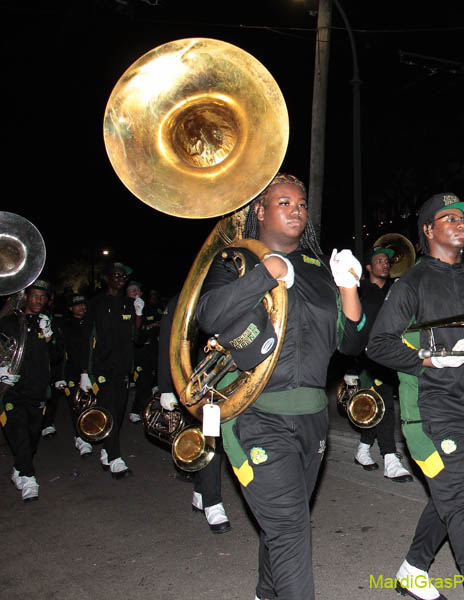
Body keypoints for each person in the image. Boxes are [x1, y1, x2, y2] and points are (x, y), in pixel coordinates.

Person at [196, 172, 365, 599]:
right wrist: (263, 275)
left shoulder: (316, 267)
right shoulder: (235, 260)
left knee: (285, 524)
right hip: (256, 416)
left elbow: (351, 343)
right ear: (260, 211)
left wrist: (347, 288)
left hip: (312, 420)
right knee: (291, 526)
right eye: (284, 203)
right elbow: (209, 315)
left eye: (301, 204)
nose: (297, 210)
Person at [367, 192, 464, 600]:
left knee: (451, 498)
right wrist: (426, 360)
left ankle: (413, 568)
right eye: (450, 218)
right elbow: (379, 345)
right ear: (428, 230)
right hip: (430, 412)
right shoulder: (413, 283)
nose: (462, 224)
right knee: (461, 502)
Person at [157, 295, 231, 533]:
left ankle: (201, 492)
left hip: (233, 378)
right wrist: (166, 386)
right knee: (211, 438)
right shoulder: (183, 298)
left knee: (226, 438)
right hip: (202, 381)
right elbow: (167, 343)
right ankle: (212, 501)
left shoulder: (233, 292)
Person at [353, 245, 414, 482]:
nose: (386, 264)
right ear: (369, 267)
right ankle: (390, 458)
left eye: (387, 261)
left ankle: (362, 448)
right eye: (380, 260)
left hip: (395, 354)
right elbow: (350, 328)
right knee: (384, 401)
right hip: (367, 358)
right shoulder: (360, 291)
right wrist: (350, 369)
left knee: (377, 406)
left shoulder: (396, 290)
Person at [0, 279, 62, 502]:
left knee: (32, 437)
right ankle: (29, 478)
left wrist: (49, 338)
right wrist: (1, 371)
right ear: (25, 296)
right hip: (12, 391)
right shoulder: (8, 322)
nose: (39, 300)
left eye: (43, 297)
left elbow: (55, 358)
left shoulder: (45, 323)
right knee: (19, 436)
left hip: (37, 390)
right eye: (35, 296)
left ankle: (19, 467)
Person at [84, 262, 143, 479]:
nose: (120, 279)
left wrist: (138, 316)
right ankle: (116, 458)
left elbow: (135, 338)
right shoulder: (95, 304)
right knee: (108, 409)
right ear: (107, 279)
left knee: (118, 412)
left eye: (123, 277)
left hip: (122, 368)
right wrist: (84, 372)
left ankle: (107, 450)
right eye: (116, 275)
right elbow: (87, 337)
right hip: (102, 367)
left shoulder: (129, 304)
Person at [58, 295, 94, 457]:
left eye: (83, 304)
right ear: (70, 309)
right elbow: (61, 351)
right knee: (76, 405)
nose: (82, 307)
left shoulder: (91, 322)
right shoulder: (65, 326)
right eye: (77, 305)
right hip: (72, 372)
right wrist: (59, 376)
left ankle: (90, 432)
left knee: (91, 404)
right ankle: (80, 438)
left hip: (91, 371)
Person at [127, 282, 161, 424]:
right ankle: (136, 411)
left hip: (152, 350)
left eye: (136, 290)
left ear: (141, 292)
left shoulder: (151, 308)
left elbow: (159, 325)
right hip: (136, 353)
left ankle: (147, 412)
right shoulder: (126, 308)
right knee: (143, 382)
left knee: (151, 382)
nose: (134, 293)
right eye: (130, 291)